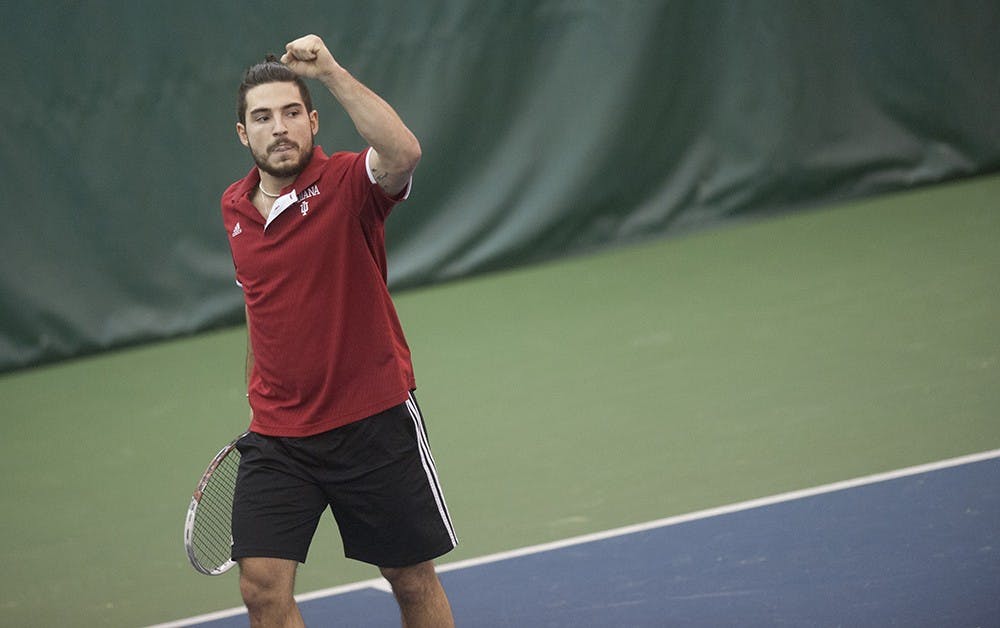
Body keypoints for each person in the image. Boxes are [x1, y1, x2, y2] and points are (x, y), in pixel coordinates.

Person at [220, 34, 457, 627]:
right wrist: (259, 388)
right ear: (243, 134)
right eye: (263, 117)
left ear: (313, 121)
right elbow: (261, 304)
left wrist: (330, 70)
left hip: (372, 423)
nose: (280, 128)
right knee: (261, 590)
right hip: (279, 435)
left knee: (409, 578)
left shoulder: (352, 184)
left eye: (292, 113)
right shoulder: (235, 209)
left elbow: (403, 152)